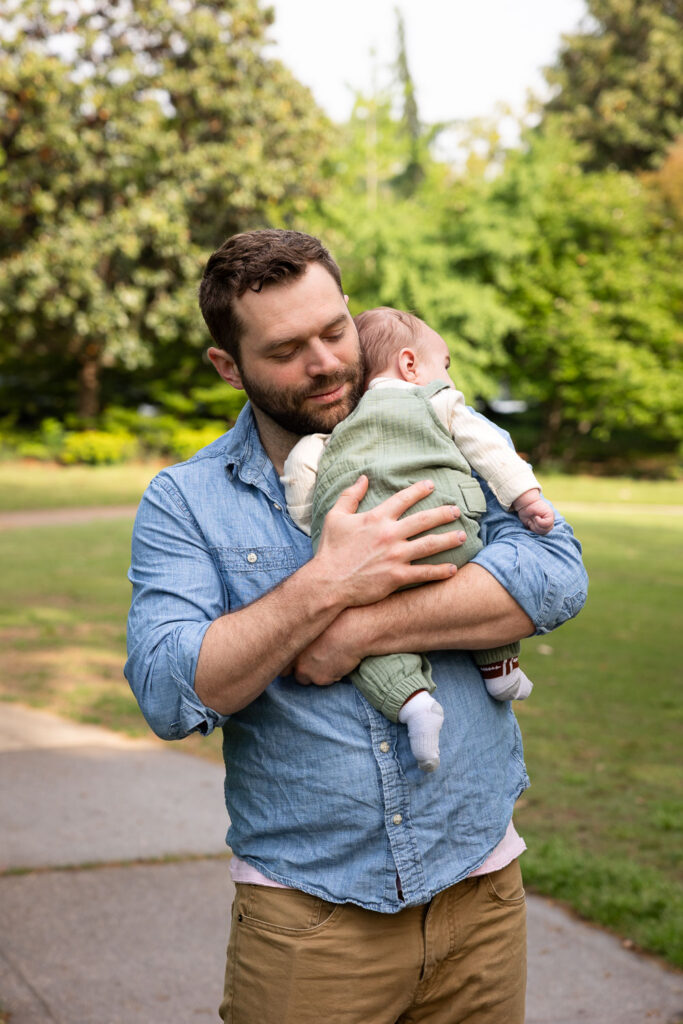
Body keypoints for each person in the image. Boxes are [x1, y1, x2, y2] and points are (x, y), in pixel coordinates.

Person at [125, 228, 588, 1024]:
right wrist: (323, 585)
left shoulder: (437, 429)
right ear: (228, 367)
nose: (328, 362)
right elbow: (173, 692)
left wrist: (356, 634)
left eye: (335, 330)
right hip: (311, 922)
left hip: (480, 893)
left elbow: (553, 576)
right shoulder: (185, 501)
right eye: (286, 349)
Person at [281, 306, 554, 772]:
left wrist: (317, 530)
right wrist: (526, 497)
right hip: (447, 530)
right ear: (410, 366)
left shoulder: (331, 432)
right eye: (443, 365)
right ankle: (500, 670)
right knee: (478, 575)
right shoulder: (436, 401)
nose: (448, 377)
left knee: (357, 633)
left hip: (365, 556)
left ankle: (414, 705)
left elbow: (303, 473)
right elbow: (487, 450)